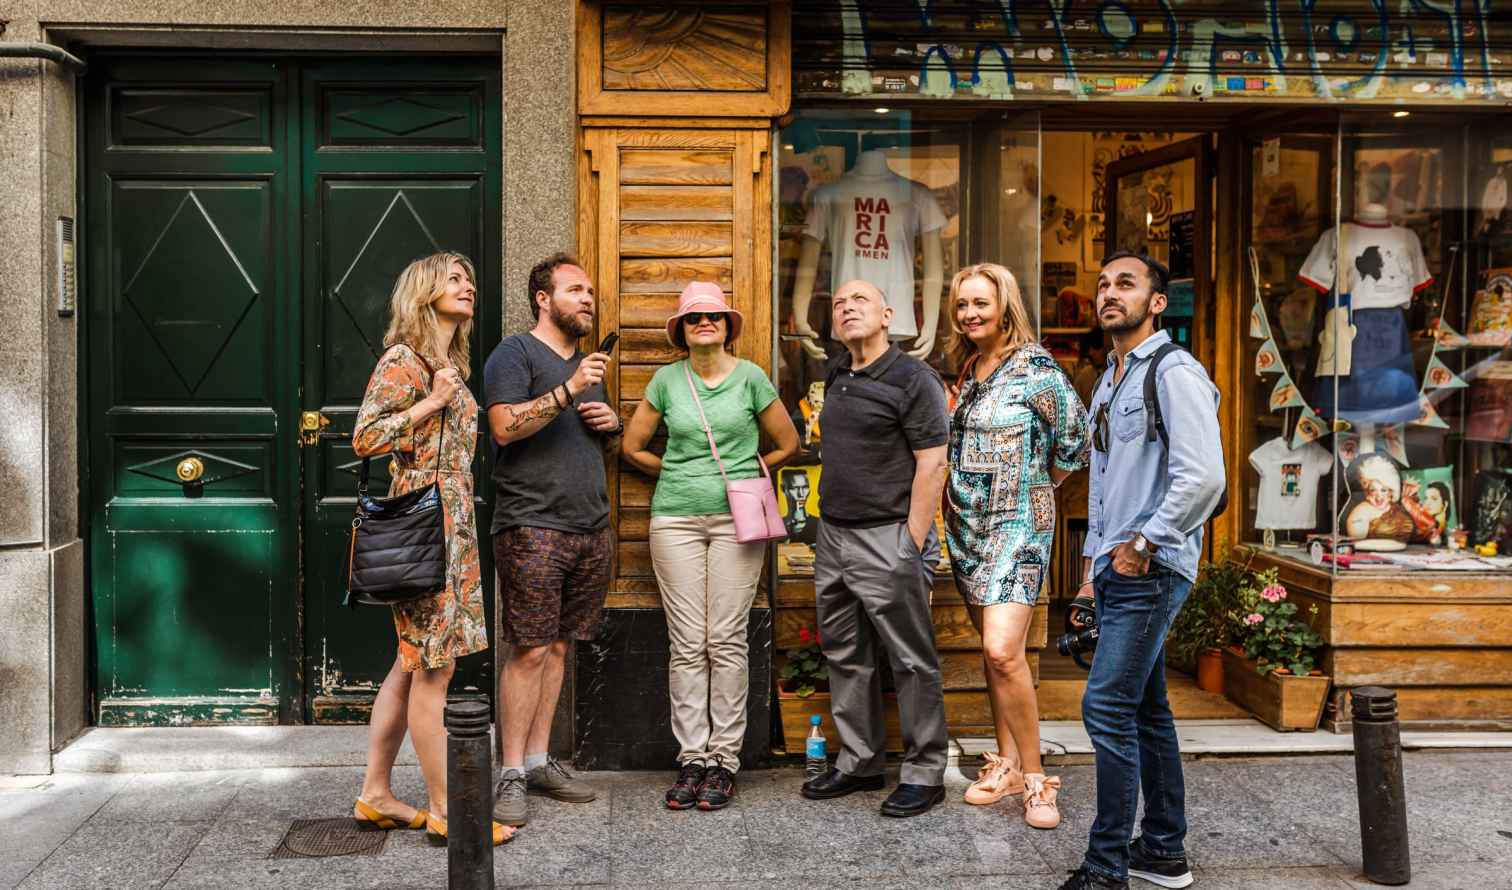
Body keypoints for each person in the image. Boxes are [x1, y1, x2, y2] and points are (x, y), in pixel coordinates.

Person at [1060, 251, 1225, 890]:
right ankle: (1163, 851)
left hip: (1151, 567)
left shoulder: (1175, 372)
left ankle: (1105, 868)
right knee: (1146, 710)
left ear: (1157, 302)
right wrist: (1087, 572)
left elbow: (1204, 478)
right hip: (1117, 567)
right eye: (1103, 284)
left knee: (1105, 707)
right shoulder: (1111, 379)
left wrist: (1143, 544)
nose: (1109, 294)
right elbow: (1103, 487)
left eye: (1125, 284)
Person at [351, 252, 511, 847]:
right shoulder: (405, 360)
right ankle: (447, 809)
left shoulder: (449, 362)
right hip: (424, 525)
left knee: (410, 663)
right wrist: (431, 402)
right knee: (433, 671)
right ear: (423, 294)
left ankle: (376, 793)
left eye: (470, 279)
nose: (467, 286)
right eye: (454, 279)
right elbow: (364, 438)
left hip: (454, 522)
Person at [622, 282, 800, 811]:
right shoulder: (666, 380)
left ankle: (724, 761)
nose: (705, 323)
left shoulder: (750, 378)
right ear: (681, 328)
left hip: (735, 521)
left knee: (725, 638)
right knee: (687, 641)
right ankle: (691, 758)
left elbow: (787, 443)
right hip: (674, 519)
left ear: (727, 326)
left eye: (715, 316)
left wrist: (749, 473)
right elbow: (633, 447)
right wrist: (677, 469)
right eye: (695, 316)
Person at [799, 278, 952, 818]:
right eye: (839, 303)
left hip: (889, 535)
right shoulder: (838, 372)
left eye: (859, 300)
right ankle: (861, 761)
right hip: (834, 536)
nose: (846, 308)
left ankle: (926, 771)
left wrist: (910, 541)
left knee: (910, 660)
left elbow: (933, 462)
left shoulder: (914, 379)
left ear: (889, 315)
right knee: (846, 654)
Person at [943, 263, 1089, 829]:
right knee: (992, 653)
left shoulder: (1038, 369)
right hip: (967, 529)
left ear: (1005, 305)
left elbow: (1075, 443)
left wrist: (1034, 487)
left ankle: (1036, 779)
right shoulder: (971, 368)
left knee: (1005, 651)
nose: (970, 314)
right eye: (962, 305)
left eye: (980, 303)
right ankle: (1002, 764)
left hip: (1019, 528)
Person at [484, 253, 620, 827]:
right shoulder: (515, 353)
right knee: (529, 647)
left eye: (590, 291)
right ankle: (510, 771)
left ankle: (540, 761)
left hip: (589, 526)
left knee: (561, 646)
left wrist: (609, 429)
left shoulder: (589, 367)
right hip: (531, 525)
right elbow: (503, 426)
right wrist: (569, 390)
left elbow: (587, 442)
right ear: (544, 298)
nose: (588, 299)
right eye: (575, 290)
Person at [780, 468, 819, 545]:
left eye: (805, 487)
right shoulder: (779, 525)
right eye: (795, 488)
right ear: (783, 489)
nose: (801, 494)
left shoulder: (819, 524)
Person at [1072, 327, 1110, 407]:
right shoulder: (1084, 376)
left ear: (1106, 349)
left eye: (1096, 348)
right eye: (1090, 349)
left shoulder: (1118, 375)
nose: (1091, 353)